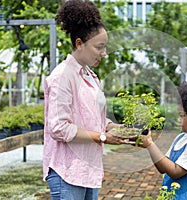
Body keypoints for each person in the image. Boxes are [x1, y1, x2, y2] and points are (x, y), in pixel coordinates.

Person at [43, 1, 129, 199]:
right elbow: (59, 128)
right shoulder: (61, 77)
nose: (104, 53)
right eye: (99, 47)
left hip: (89, 168)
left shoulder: (90, 76)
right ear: (79, 43)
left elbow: (92, 118)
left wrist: (115, 128)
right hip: (68, 171)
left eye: (105, 47)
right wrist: (103, 137)